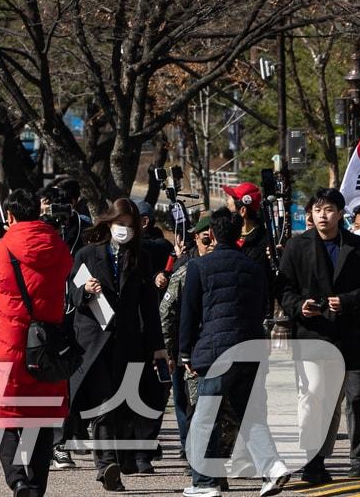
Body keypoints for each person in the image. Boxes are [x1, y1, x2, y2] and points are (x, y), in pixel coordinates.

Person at [0, 189, 74, 497]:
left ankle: (17, 480)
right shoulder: (58, 247)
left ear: (10, 216)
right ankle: (36, 488)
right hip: (46, 346)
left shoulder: (0, 250)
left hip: (7, 346)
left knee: (1, 417)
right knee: (41, 418)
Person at [180, 207, 289, 497]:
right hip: (250, 348)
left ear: (211, 233)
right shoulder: (254, 267)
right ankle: (273, 467)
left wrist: (185, 352)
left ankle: (205, 482)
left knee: (205, 418)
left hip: (216, 350)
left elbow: (189, 313)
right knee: (249, 414)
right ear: (239, 230)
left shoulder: (199, 267)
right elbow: (263, 307)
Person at [66, 197, 167, 490]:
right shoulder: (87, 254)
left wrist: (157, 345)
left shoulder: (140, 258)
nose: (124, 230)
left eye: (130, 226)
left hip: (127, 341)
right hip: (93, 340)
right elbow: (71, 294)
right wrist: (85, 290)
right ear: (109, 222)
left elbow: (149, 306)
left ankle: (119, 458)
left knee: (122, 403)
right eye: (120, 224)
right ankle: (106, 465)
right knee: (103, 402)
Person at [276, 187, 360, 485]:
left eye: (328, 210)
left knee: (354, 400)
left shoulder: (358, 247)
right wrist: (299, 307)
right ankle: (312, 460)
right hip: (313, 335)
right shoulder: (296, 246)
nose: (322, 215)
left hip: (353, 338)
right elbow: (284, 289)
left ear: (340, 214)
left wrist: (348, 301)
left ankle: (357, 460)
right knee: (313, 397)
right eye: (317, 210)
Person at [161, 214, 213, 459]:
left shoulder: (227, 267)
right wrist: (169, 351)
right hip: (188, 349)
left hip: (217, 349)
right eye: (205, 240)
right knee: (189, 402)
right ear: (197, 239)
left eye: (213, 240)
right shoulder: (185, 271)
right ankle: (192, 453)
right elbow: (166, 312)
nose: (210, 246)